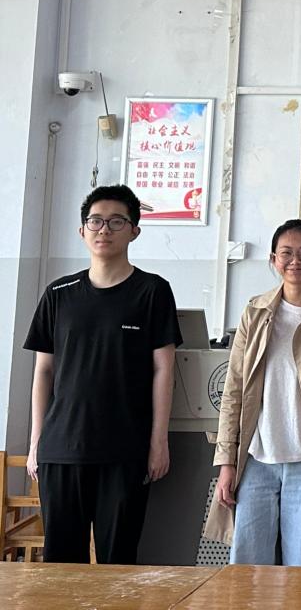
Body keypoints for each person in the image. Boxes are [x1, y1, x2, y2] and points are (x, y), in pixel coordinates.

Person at [24, 184, 182, 564]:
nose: (104, 230)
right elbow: (43, 372)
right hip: (62, 449)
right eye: (95, 221)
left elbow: (163, 370)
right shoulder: (58, 293)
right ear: (82, 230)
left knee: (119, 561)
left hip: (125, 451)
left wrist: (158, 441)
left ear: (134, 231)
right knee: (61, 565)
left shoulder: (153, 291)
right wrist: (35, 443)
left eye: (116, 222)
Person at [204, 219, 301, 566]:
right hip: (256, 459)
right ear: (273, 259)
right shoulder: (255, 311)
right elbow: (234, 390)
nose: (295, 261)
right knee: (247, 566)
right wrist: (226, 462)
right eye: (286, 253)